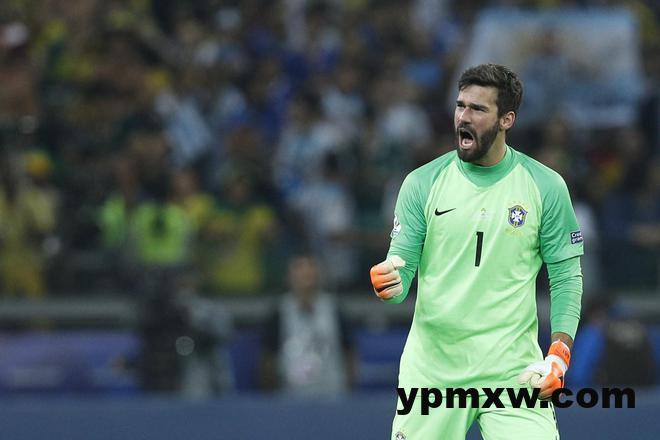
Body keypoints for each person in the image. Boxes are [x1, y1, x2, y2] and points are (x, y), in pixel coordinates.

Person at [369, 64, 583, 439]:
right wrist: (389, 283)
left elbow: (566, 279)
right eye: (460, 106)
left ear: (506, 120)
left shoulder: (545, 187)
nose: (463, 118)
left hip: (512, 371)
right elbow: (399, 276)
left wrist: (559, 354)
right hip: (433, 371)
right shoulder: (422, 183)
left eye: (478, 109)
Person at [260, 253, 355, 396]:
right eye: (300, 272)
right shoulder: (279, 313)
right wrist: (271, 394)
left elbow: (349, 352)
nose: (306, 278)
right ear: (289, 277)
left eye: (310, 272)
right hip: (290, 395)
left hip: (332, 395)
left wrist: (349, 390)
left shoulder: (334, 310)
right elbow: (268, 356)